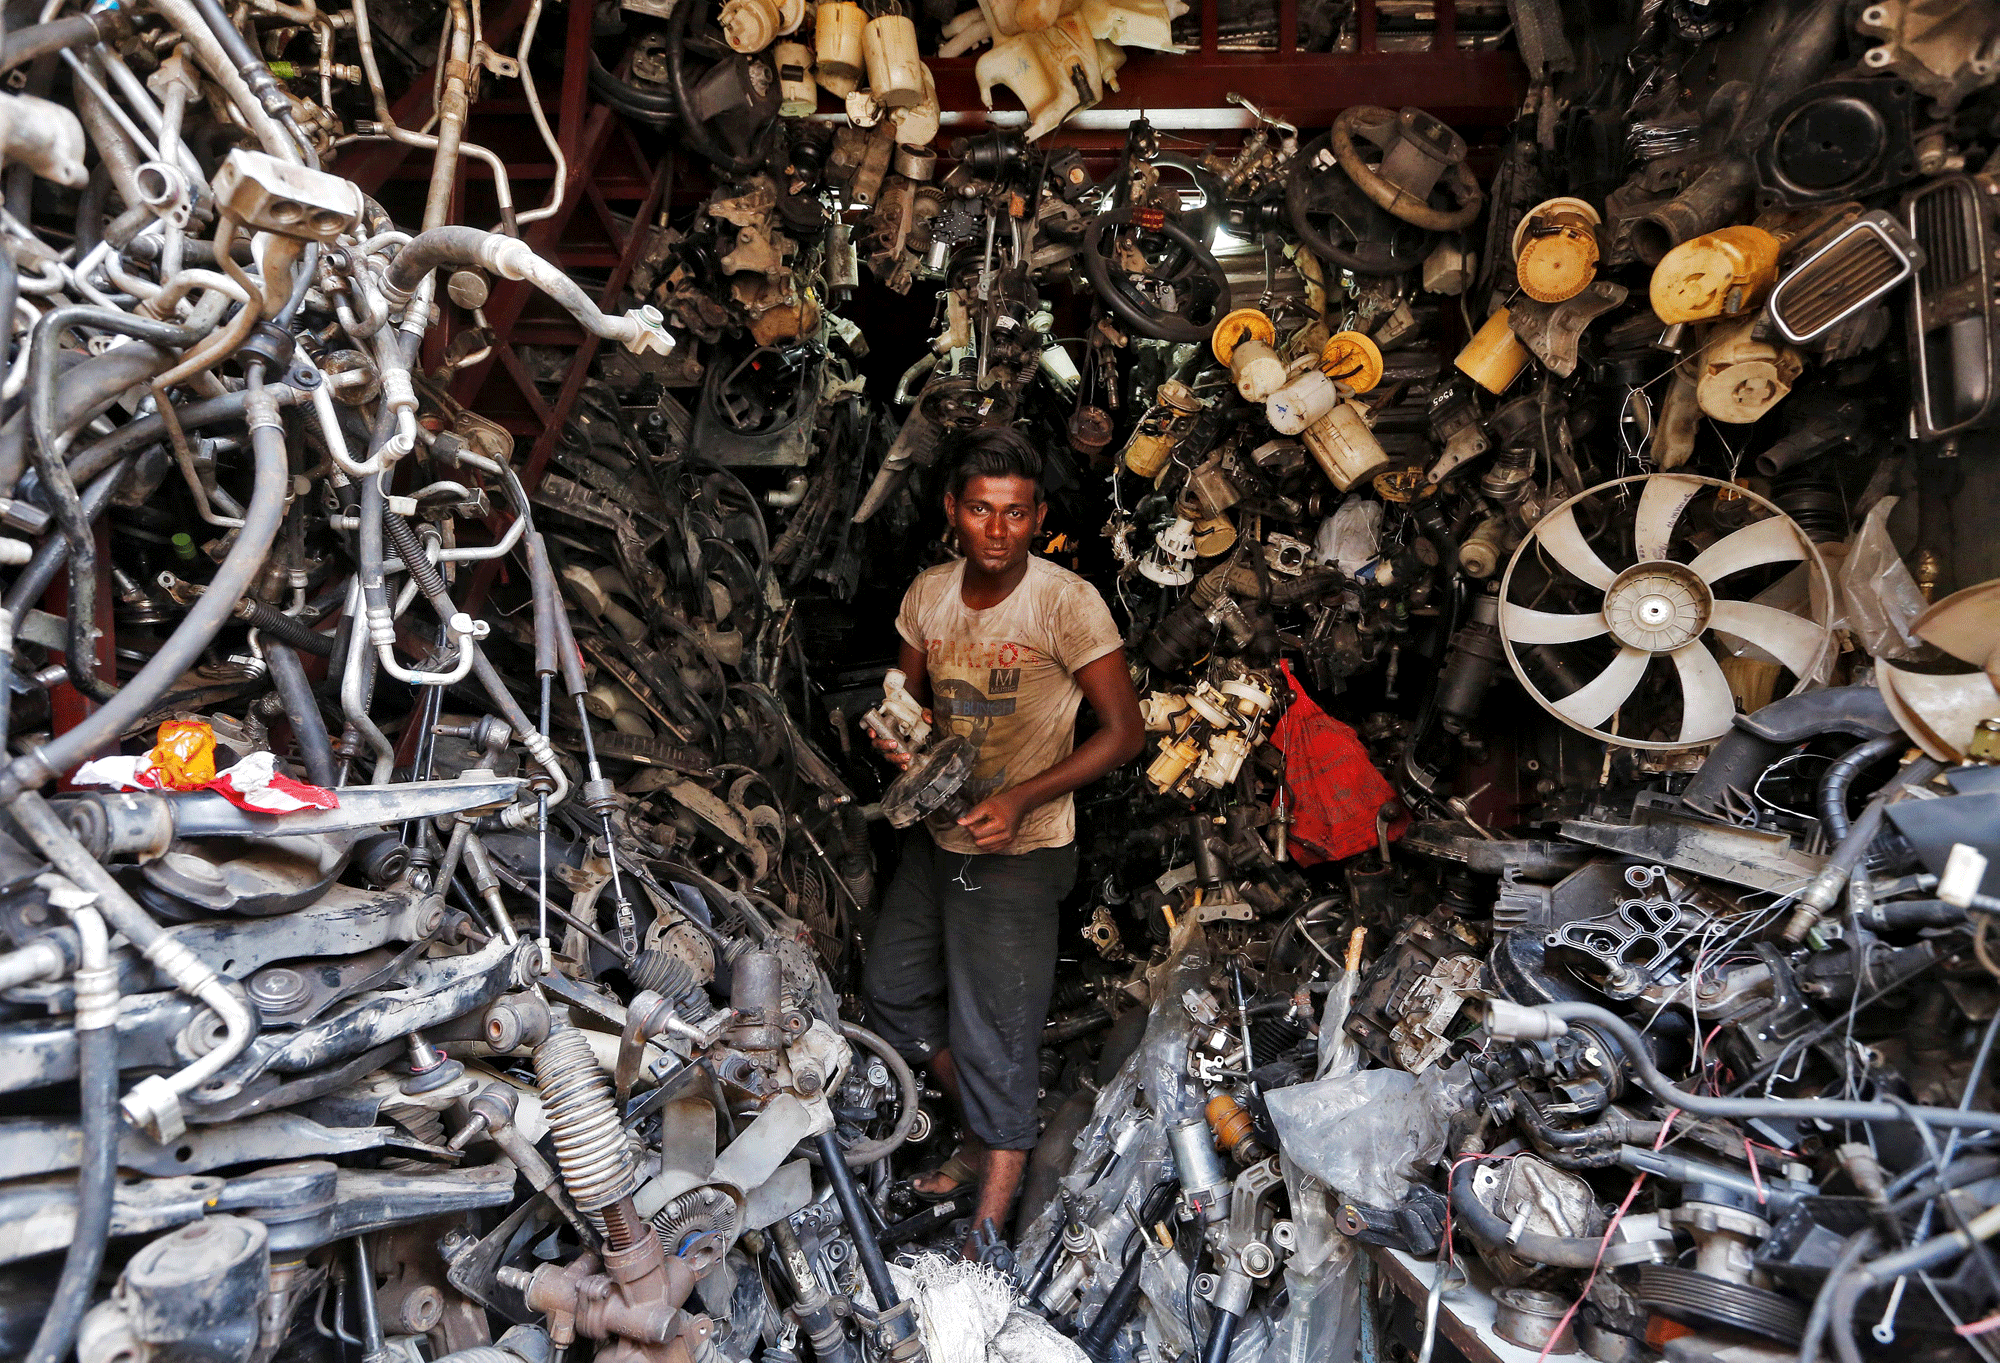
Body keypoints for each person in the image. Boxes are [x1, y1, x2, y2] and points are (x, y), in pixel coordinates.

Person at [862, 426, 1145, 1255]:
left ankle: (991, 1217)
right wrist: (895, 735)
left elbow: (1124, 731)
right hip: (940, 833)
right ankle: (986, 1133)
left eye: (1015, 513)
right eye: (981, 511)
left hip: (1022, 848)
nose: (997, 530)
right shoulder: (928, 596)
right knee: (894, 991)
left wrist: (1023, 796)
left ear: (1038, 516)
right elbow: (903, 705)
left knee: (997, 1032)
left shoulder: (1065, 602)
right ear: (954, 511)